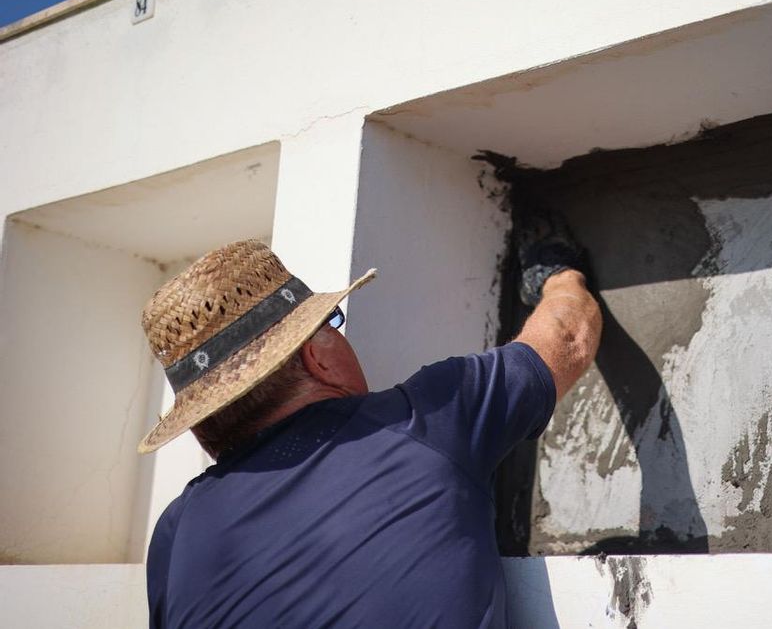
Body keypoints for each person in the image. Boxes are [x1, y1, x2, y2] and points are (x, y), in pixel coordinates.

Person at [138, 227, 600, 627]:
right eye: (332, 324)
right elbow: (567, 337)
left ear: (201, 423)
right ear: (315, 356)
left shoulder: (174, 536)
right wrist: (559, 275)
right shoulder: (425, 422)